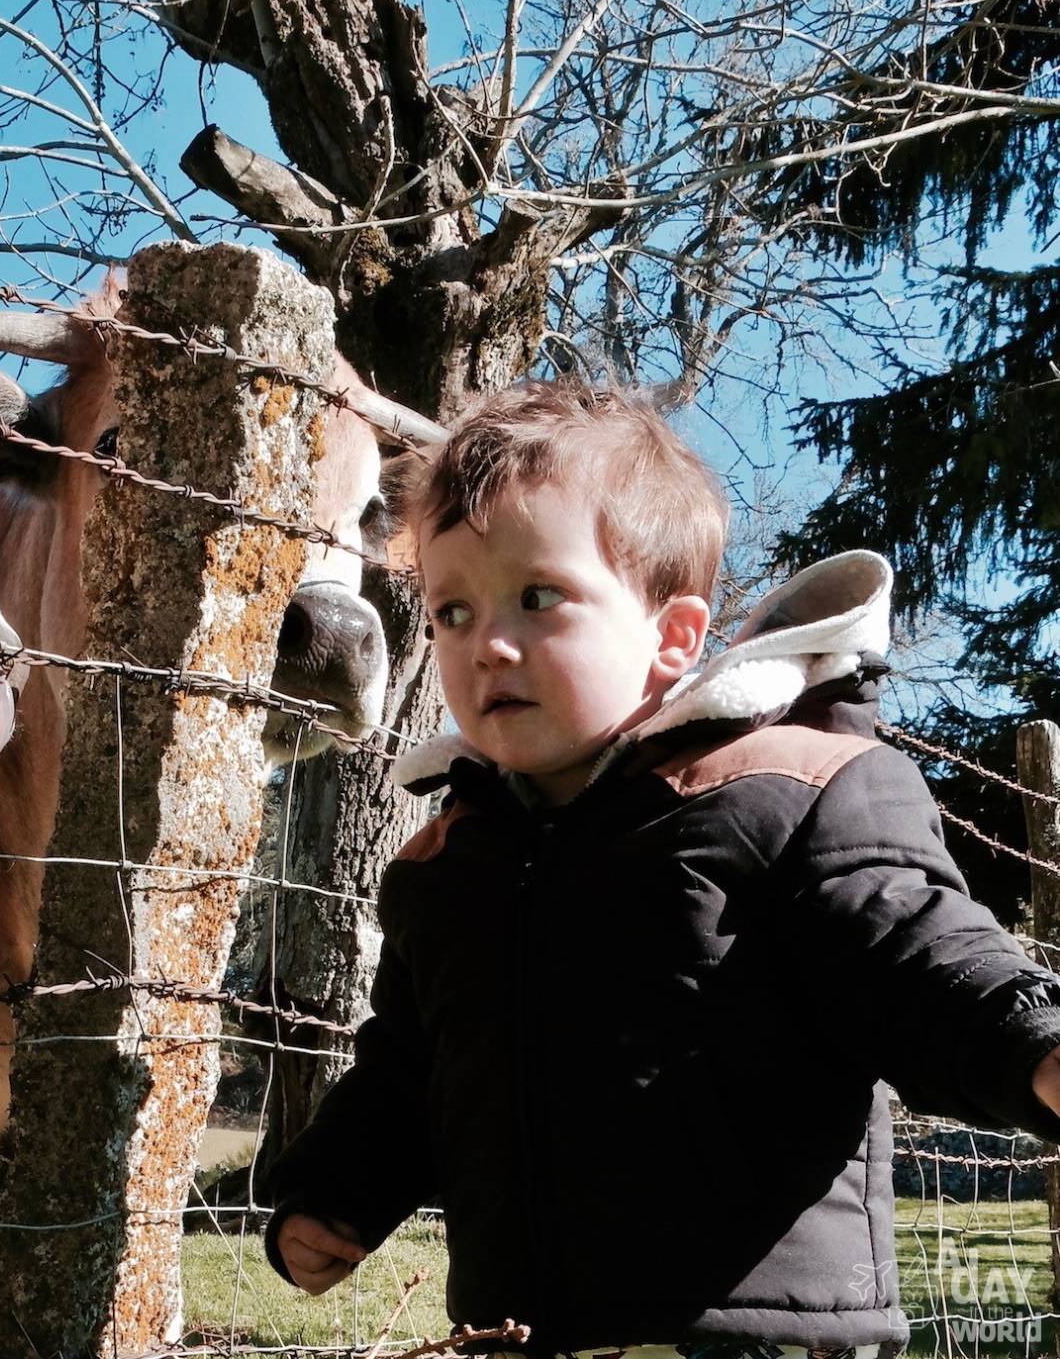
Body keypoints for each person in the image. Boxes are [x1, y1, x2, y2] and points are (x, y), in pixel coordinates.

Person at [264, 380, 1060, 1359]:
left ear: (673, 637)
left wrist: (1031, 1038)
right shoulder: (443, 864)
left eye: (537, 597)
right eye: (452, 611)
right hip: (514, 1336)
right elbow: (411, 1072)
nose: (488, 645)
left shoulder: (782, 792)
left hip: (750, 1334)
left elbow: (914, 954)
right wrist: (337, 1193)